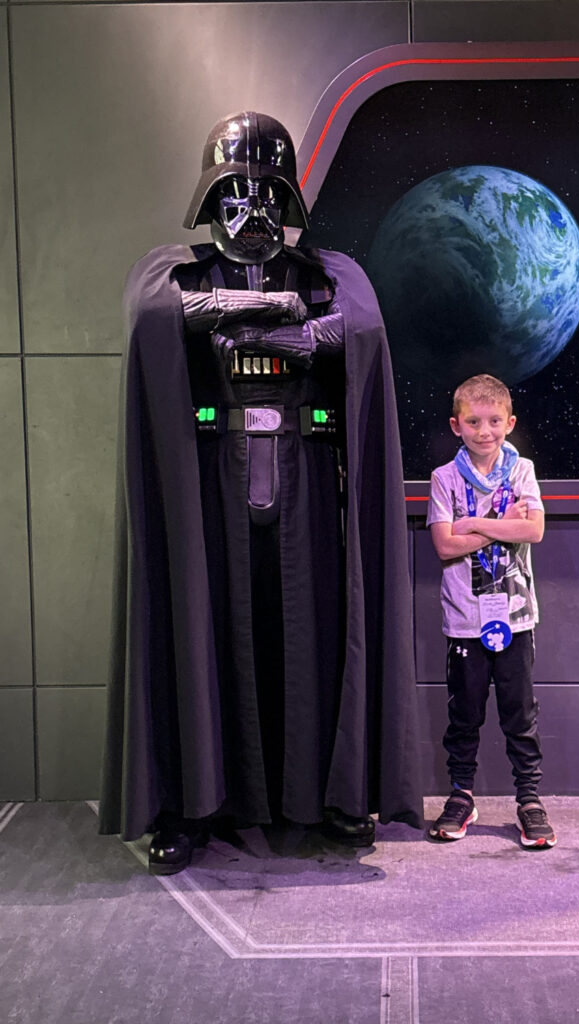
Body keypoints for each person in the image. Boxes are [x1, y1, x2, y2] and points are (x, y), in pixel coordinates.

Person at [99, 111, 423, 873]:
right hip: (208, 486)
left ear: (288, 199)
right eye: (235, 196)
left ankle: (327, 800)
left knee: (312, 633)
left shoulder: (328, 272)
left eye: (266, 195)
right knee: (200, 630)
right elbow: (151, 315)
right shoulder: (174, 273)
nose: (252, 214)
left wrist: (307, 334)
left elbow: (366, 330)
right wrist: (256, 308)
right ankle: (192, 805)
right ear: (211, 201)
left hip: (306, 483)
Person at [425, 373, 555, 848]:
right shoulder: (444, 478)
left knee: (520, 714)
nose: (485, 431)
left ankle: (529, 799)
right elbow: (444, 546)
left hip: (516, 617)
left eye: (494, 421)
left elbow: (535, 532)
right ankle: (462, 794)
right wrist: (505, 526)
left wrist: (476, 524)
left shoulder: (523, 471)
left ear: (510, 422)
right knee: (465, 713)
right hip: (465, 618)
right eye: (474, 422)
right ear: (457, 425)